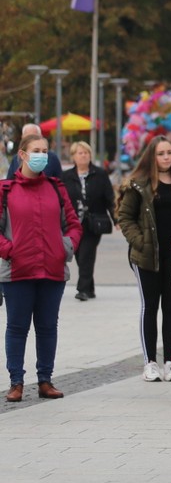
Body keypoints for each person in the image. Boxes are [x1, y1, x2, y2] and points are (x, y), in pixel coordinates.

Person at [2, 131, 82, 402]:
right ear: (22, 155)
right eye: (36, 150)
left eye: (45, 151)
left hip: (52, 269)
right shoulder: (6, 190)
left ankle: (45, 380)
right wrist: (8, 250)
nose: (42, 156)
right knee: (17, 327)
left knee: (48, 327)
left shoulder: (56, 188)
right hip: (17, 271)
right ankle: (16, 382)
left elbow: (73, 224)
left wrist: (65, 247)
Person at [116, 135, 171, 382]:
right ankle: (150, 362)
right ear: (152, 157)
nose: (166, 157)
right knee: (150, 307)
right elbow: (125, 217)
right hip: (146, 256)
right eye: (161, 153)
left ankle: (170, 361)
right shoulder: (138, 184)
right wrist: (139, 241)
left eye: (169, 153)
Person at [62, 141, 115, 301]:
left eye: (86, 152)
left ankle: (83, 289)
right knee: (79, 255)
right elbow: (61, 200)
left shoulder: (100, 174)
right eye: (80, 153)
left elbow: (109, 198)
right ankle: (90, 287)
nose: (84, 155)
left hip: (93, 223)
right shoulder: (66, 177)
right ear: (73, 157)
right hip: (73, 224)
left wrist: (117, 218)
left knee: (86, 255)